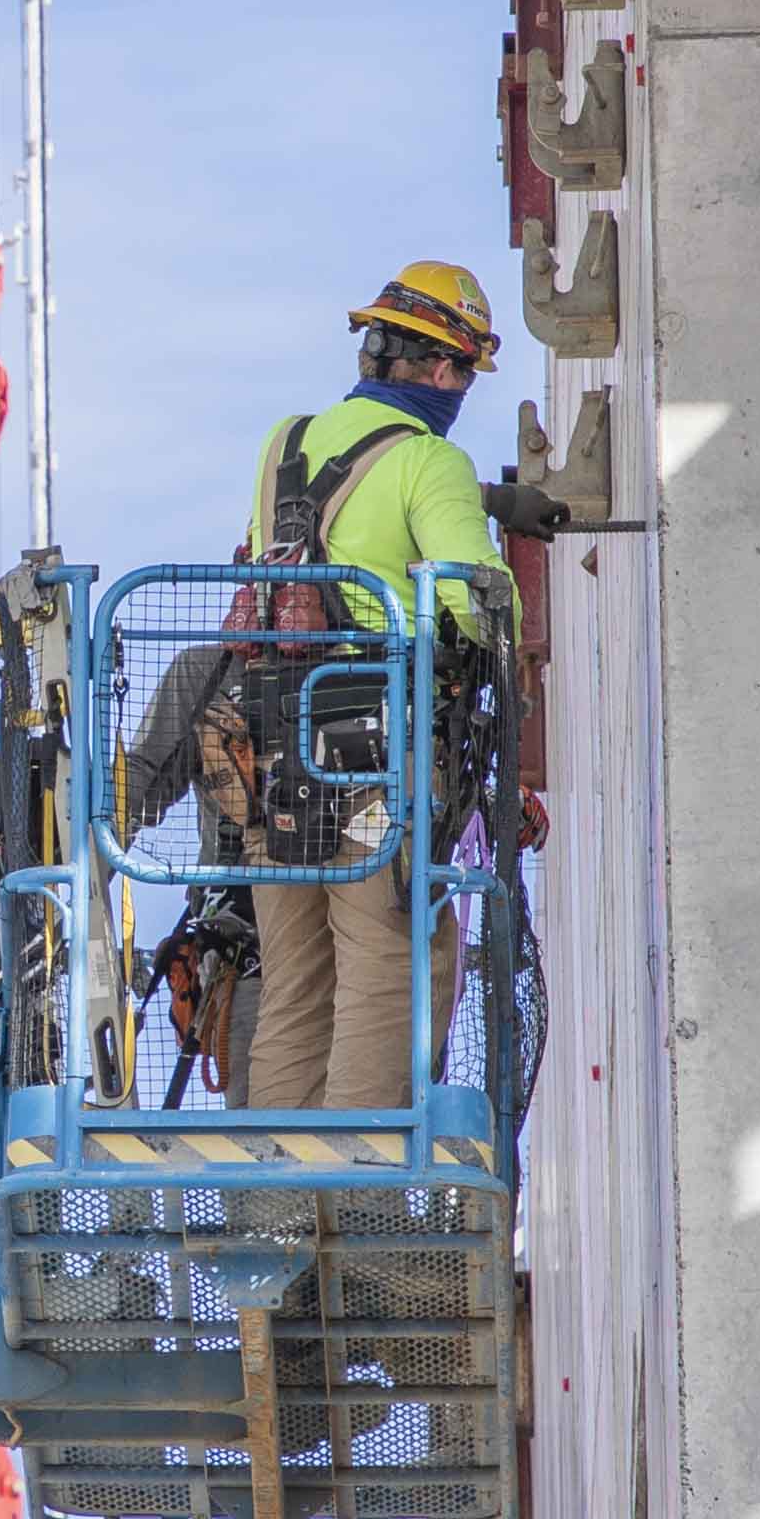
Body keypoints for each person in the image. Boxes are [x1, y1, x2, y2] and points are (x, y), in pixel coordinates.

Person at [235, 261, 509, 1116]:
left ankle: (272, 1210)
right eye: (461, 370)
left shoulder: (285, 442)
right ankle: (360, 1201)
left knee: (295, 990)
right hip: (374, 763)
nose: (459, 387)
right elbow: (477, 601)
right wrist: (486, 531)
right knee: (392, 976)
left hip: (269, 759)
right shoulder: (433, 460)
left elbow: (329, 541)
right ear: (440, 367)